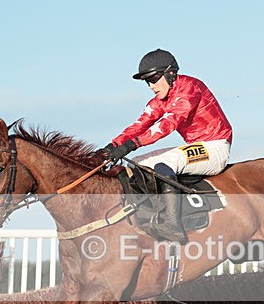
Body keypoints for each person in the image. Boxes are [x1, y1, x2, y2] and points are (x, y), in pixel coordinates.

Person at [96, 48, 232, 243]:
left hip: (216, 147)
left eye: (153, 79)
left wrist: (130, 145)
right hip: (198, 147)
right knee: (136, 163)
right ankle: (150, 211)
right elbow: (139, 125)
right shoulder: (161, 100)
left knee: (166, 162)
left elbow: (168, 125)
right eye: (147, 81)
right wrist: (111, 146)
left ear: (170, 74)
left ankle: (172, 223)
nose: (151, 86)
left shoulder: (190, 88)